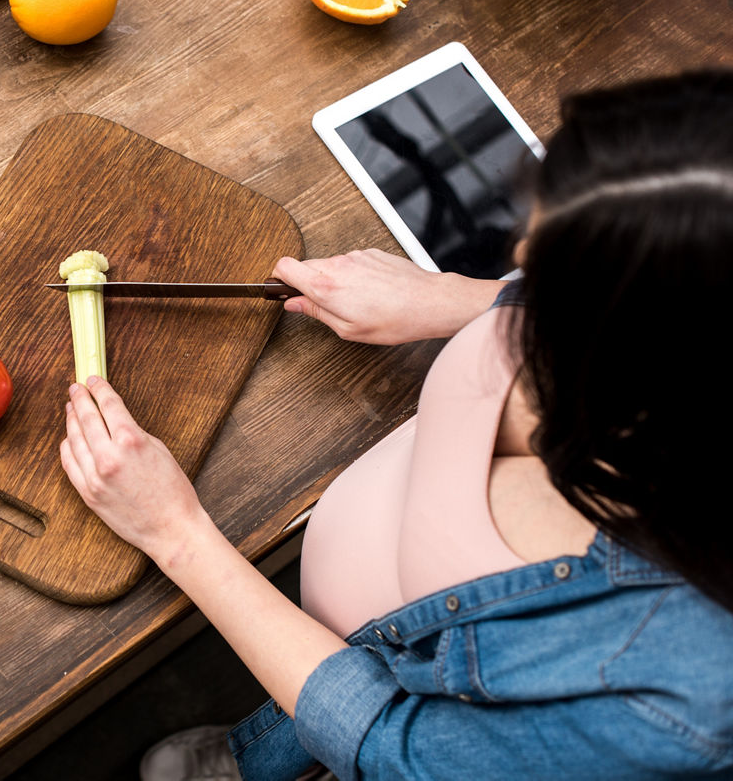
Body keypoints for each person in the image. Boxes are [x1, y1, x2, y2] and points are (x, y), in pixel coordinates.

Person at [58, 69, 733, 781]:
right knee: (290, 727)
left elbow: (391, 745)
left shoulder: (686, 702)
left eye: (546, 289)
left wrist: (176, 532)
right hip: (342, 647)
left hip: (373, 702)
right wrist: (451, 298)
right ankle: (263, 746)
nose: (518, 276)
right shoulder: (672, 321)